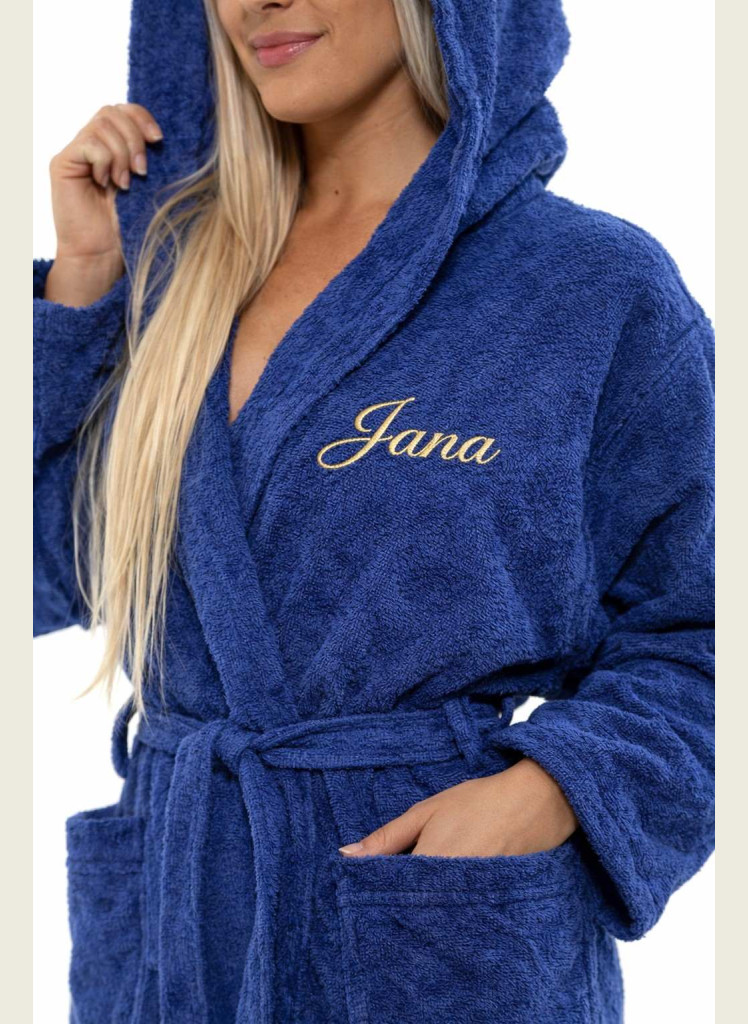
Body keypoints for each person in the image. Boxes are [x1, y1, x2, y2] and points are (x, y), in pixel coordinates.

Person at [33, 1, 715, 1022]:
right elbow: (42, 576)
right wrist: (80, 292)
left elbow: (705, 628)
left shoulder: (592, 289)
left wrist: (557, 788)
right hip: (176, 935)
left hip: (434, 934)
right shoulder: (175, 278)